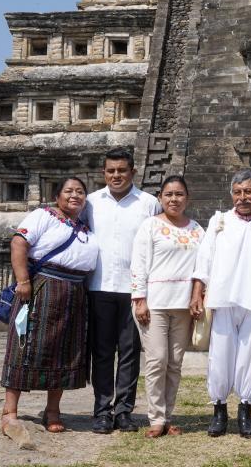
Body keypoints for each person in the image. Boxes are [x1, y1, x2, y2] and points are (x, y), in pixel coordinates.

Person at [0, 177, 98, 440]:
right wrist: (22, 280)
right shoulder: (43, 215)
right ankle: (10, 411)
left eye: (80, 192)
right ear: (58, 196)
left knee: (64, 351)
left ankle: (53, 411)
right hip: (42, 287)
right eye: (69, 191)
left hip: (75, 293)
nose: (74, 195)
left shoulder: (84, 226)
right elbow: (19, 243)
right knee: (26, 345)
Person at [190, 170, 251, 439]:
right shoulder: (220, 222)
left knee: (249, 358)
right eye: (238, 192)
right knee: (221, 356)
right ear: (232, 195)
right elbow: (204, 260)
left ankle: (245, 410)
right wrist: (197, 292)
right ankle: (219, 410)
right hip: (223, 297)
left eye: (248, 192)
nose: (243, 197)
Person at [88, 148, 161, 434]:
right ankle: (102, 411)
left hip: (135, 291)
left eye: (121, 170)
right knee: (102, 353)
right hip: (100, 287)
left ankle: (124, 411)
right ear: (103, 173)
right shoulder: (91, 203)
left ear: (132, 171)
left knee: (130, 353)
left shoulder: (149, 203)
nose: (116, 175)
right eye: (110, 171)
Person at [130, 175, 205, 438]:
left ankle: (168, 416)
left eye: (179, 194)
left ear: (187, 198)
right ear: (160, 198)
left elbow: (203, 268)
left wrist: (198, 296)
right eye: (169, 194)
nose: (174, 199)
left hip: (184, 305)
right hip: (154, 304)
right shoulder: (150, 226)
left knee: (174, 363)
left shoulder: (196, 229)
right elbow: (138, 264)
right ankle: (156, 419)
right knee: (157, 361)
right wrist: (139, 299)